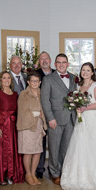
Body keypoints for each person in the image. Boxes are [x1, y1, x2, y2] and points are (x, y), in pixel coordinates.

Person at [61, 62, 96, 190]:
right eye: (83, 70)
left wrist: (85, 108)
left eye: (88, 70)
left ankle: (95, 176)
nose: (85, 72)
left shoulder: (95, 86)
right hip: (81, 120)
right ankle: (78, 176)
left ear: (92, 72)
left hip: (92, 119)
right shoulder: (79, 86)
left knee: (92, 145)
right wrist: (76, 106)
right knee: (80, 144)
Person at [41, 54, 77, 185]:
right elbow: (44, 100)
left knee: (66, 147)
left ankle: (64, 171)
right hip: (55, 119)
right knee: (54, 147)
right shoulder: (48, 79)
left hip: (71, 118)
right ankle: (54, 173)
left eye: (64, 62)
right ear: (55, 64)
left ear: (68, 64)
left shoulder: (74, 78)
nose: (61, 64)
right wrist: (50, 118)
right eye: (59, 62)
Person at [0, 71, 24, 185]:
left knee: (11, 151)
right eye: (4, 78)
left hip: (11, 126)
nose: (7, 80)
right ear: (0, 80)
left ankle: (10, 175)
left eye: (9, 78)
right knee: (0, 151)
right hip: (0, 125)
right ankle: (0, 176)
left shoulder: (15, 94)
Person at [17, 71, 47, 186]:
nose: (34, 83)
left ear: (40, 82)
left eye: (37, 81)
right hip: (27, 126)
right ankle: (28, 174)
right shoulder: (24, 94)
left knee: (37, 151)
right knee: (28, 152)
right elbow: (22, 110)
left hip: (39, 125)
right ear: (28, 82)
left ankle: (33, 173)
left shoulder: (41, 93)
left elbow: (44, 108)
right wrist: (35, 114)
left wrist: (42, 118)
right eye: (32, 81)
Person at [35, 51, 55, 179]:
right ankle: (39, 169)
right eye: (41, 59)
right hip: (40, 113)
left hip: (55, 114)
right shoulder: (35, 75)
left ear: (50, 60)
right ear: (39, 62)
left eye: (46, 58)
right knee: (40, 142)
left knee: (54, 143)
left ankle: (53, 169)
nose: (44, 61)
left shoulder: (56, 73)